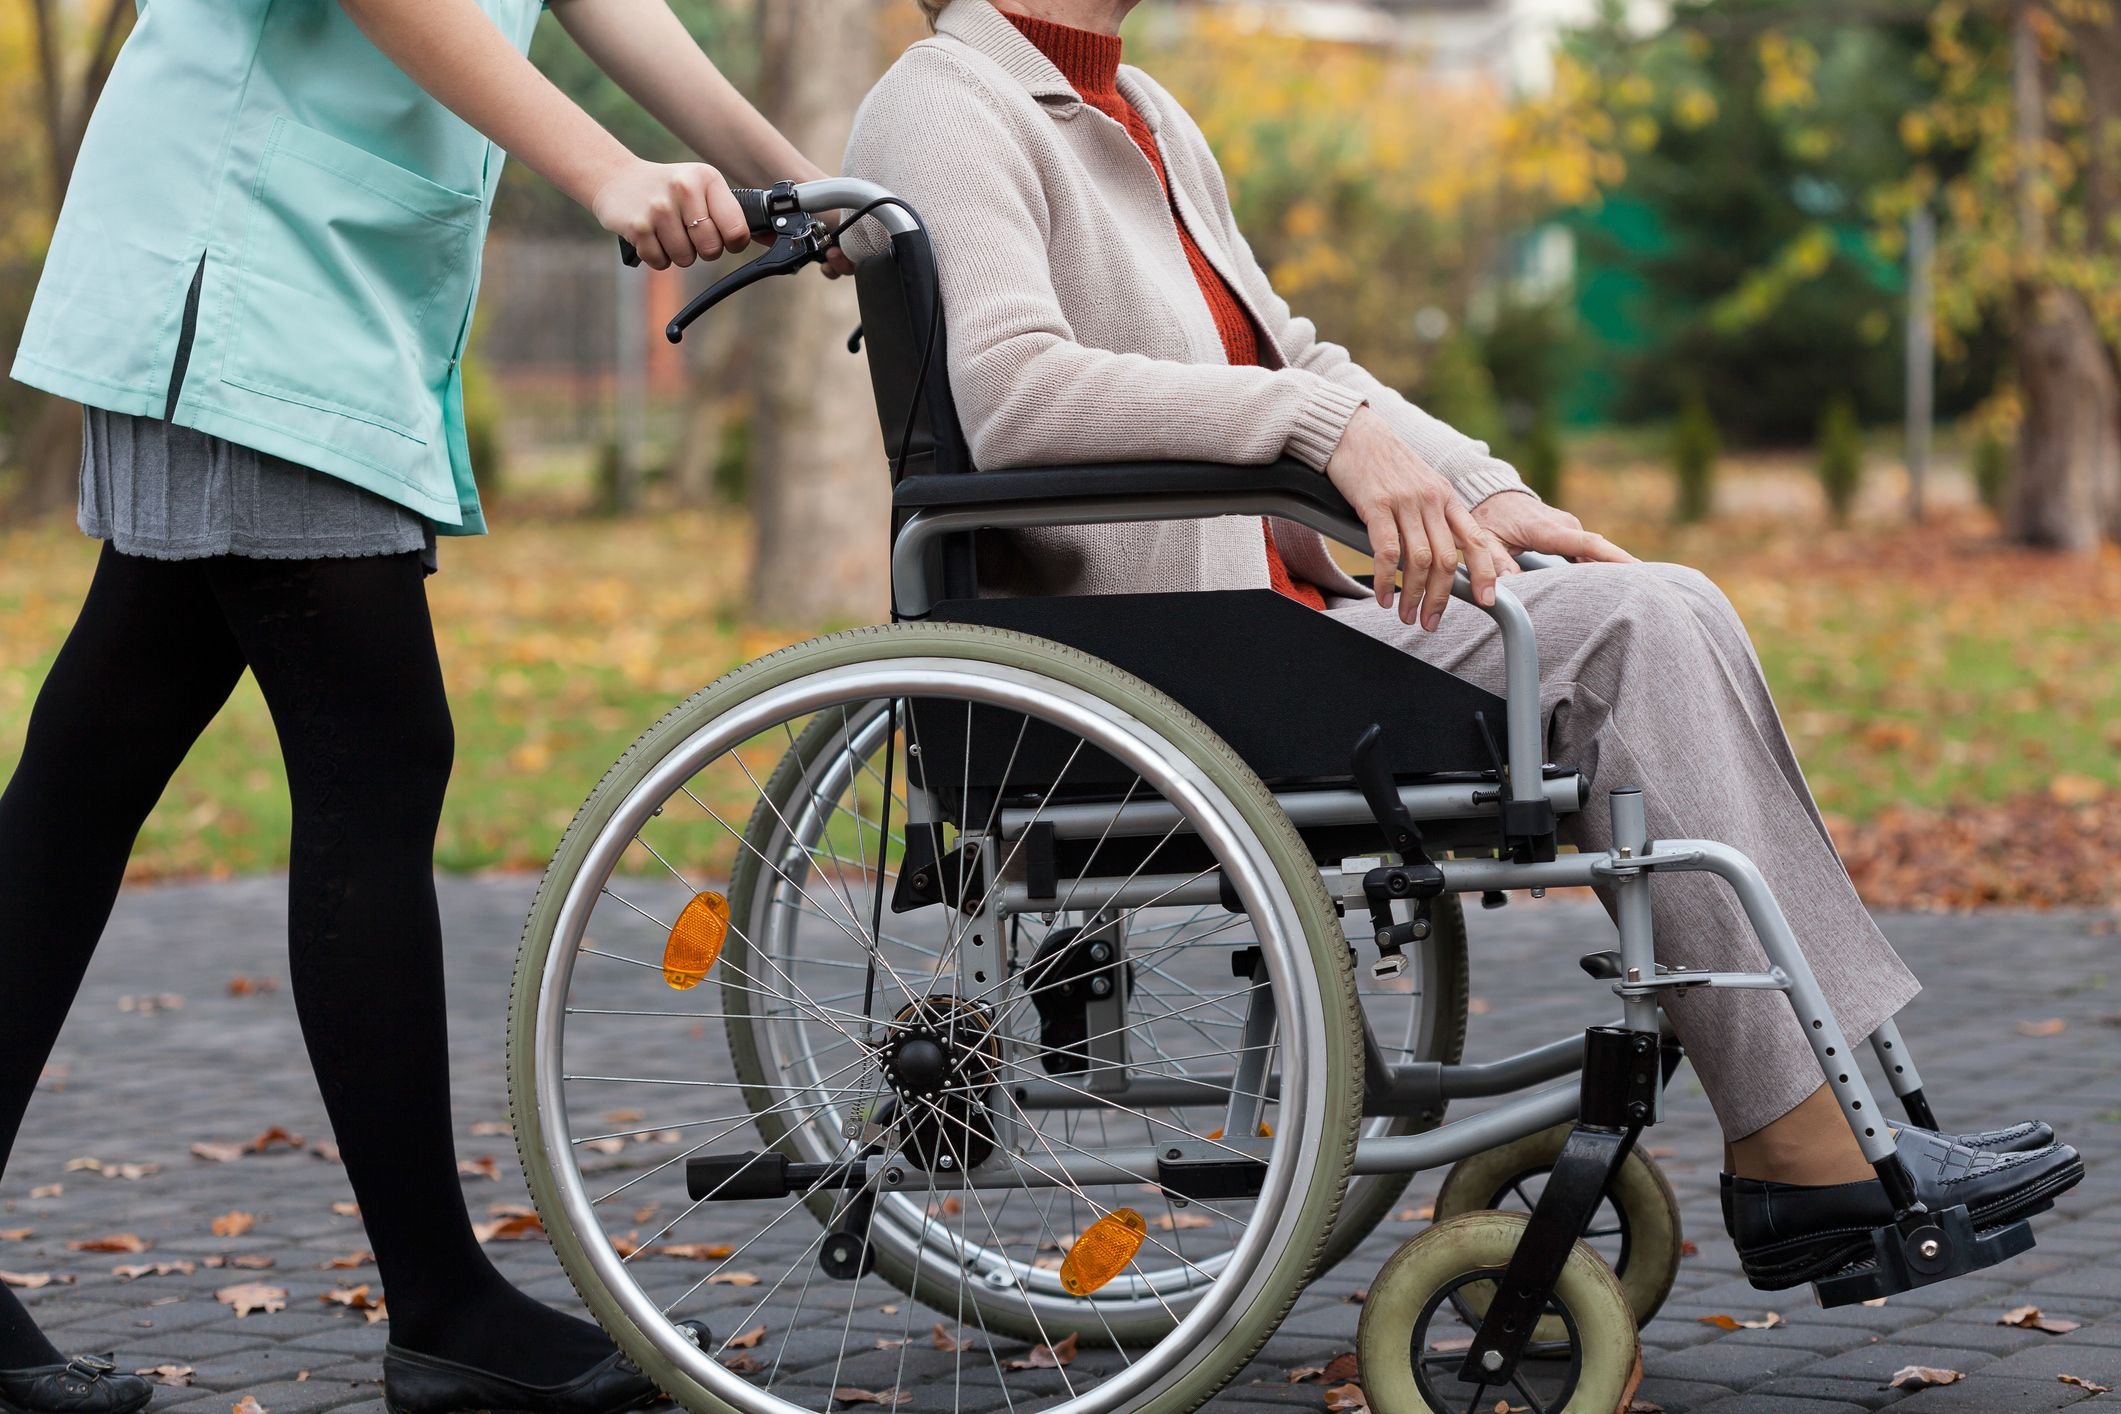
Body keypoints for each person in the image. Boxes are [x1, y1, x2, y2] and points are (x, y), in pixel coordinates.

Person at [843, 0, 2084, 1293]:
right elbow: (1012, 395)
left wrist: (1480, 489)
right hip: (1152, 658)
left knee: (1665, 600)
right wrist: (1315, 428)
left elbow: (1296, 355)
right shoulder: (945, 102)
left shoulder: (1141, 110)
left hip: (1267, 623)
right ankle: (1800, 1145)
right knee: (1640, 626)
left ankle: (1844, 1116)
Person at [1, 2, 842, 1411]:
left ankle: (446, 1304)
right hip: (246, 268)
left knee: (91, 772)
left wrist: (788, 171)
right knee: (373, 757)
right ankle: (443, 1303)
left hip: (301, 281)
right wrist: (607, 171)